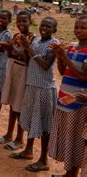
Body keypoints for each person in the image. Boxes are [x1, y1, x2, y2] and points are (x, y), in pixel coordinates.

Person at [11, 17, 59, 173]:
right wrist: (25, 48)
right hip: (32, 85)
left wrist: (29, 49)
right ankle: (28, 150)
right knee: (31, 120)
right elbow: (28, 61)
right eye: (43, 25)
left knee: (44, 124)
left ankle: (44, 160)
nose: (44, 28)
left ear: (54, 30)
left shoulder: (54, 44)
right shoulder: (36, 40)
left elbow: (46, 66)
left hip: (44, 89)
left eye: (48, 26)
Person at [48, 15, 87, 177]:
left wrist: (64, 57)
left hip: (78, 103)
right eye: (76, 27)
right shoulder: (72, 47)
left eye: (83, 28)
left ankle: (73, 173)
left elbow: (83, 77)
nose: (79, 30)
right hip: (64, 97)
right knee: (66, 138)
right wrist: (59, 57)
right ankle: (69, 171)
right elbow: (64, 72)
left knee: (76, 140)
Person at [0, 10, 33, 150]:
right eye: (19, 21)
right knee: (12, 105)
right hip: (12, 70)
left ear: (30, 22)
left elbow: (27, 59)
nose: (21, 24)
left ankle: (19, 138)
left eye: (24, 21)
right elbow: (11, 54)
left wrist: (20, 46)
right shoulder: (16, 35)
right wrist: (8, 47)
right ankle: (9, 134)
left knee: (20, 107)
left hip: (23, 72)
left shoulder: (31, 38)